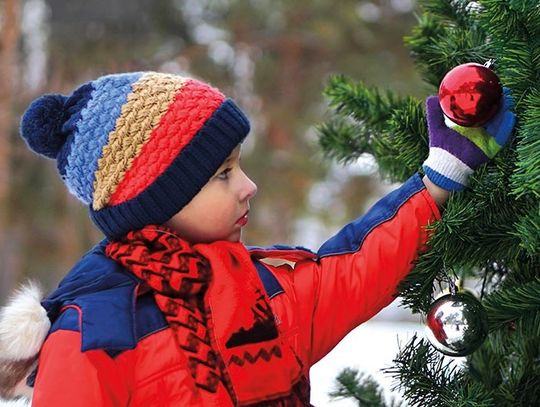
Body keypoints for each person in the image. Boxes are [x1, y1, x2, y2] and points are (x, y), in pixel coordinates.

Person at [0, 71, 514, 406]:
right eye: (223, 174)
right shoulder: (94, 333)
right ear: (159, 199)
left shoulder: (259, 288)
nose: (249, 186)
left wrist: (439, 178)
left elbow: (355, 268)